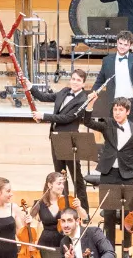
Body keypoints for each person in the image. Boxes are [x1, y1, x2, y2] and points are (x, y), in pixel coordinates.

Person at [31, 67, 97, 198]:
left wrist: (43, 115)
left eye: (78, 80)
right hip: (55, 138)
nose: (75, 82)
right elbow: (43, 97)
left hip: (70, 140)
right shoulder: (64, 91)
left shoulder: (84, 99)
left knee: (76, 177)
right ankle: (63, 205)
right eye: (73, 79)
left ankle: (84, 211)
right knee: (59, 176)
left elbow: (67, 118)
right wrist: (30, 86)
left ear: (83, 84)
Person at [96, 98, 133, 248]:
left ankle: (126, 248)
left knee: (128, 214)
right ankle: (109, 250)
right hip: (108, 173)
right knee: (109, 214)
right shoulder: (108, 125)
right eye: (115, 110)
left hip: (129, 175)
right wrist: (90, 106)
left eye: (121, 110)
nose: (117, 113)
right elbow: (88, 122)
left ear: (128, 112)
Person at [95, 32, 133, 110]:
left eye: (126, 45)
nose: (122, 47)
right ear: (117, 42)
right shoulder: (107, 60)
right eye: (120, 43)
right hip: (115, 102)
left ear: (130, 45)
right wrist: (93, 92)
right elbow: (100, 80)